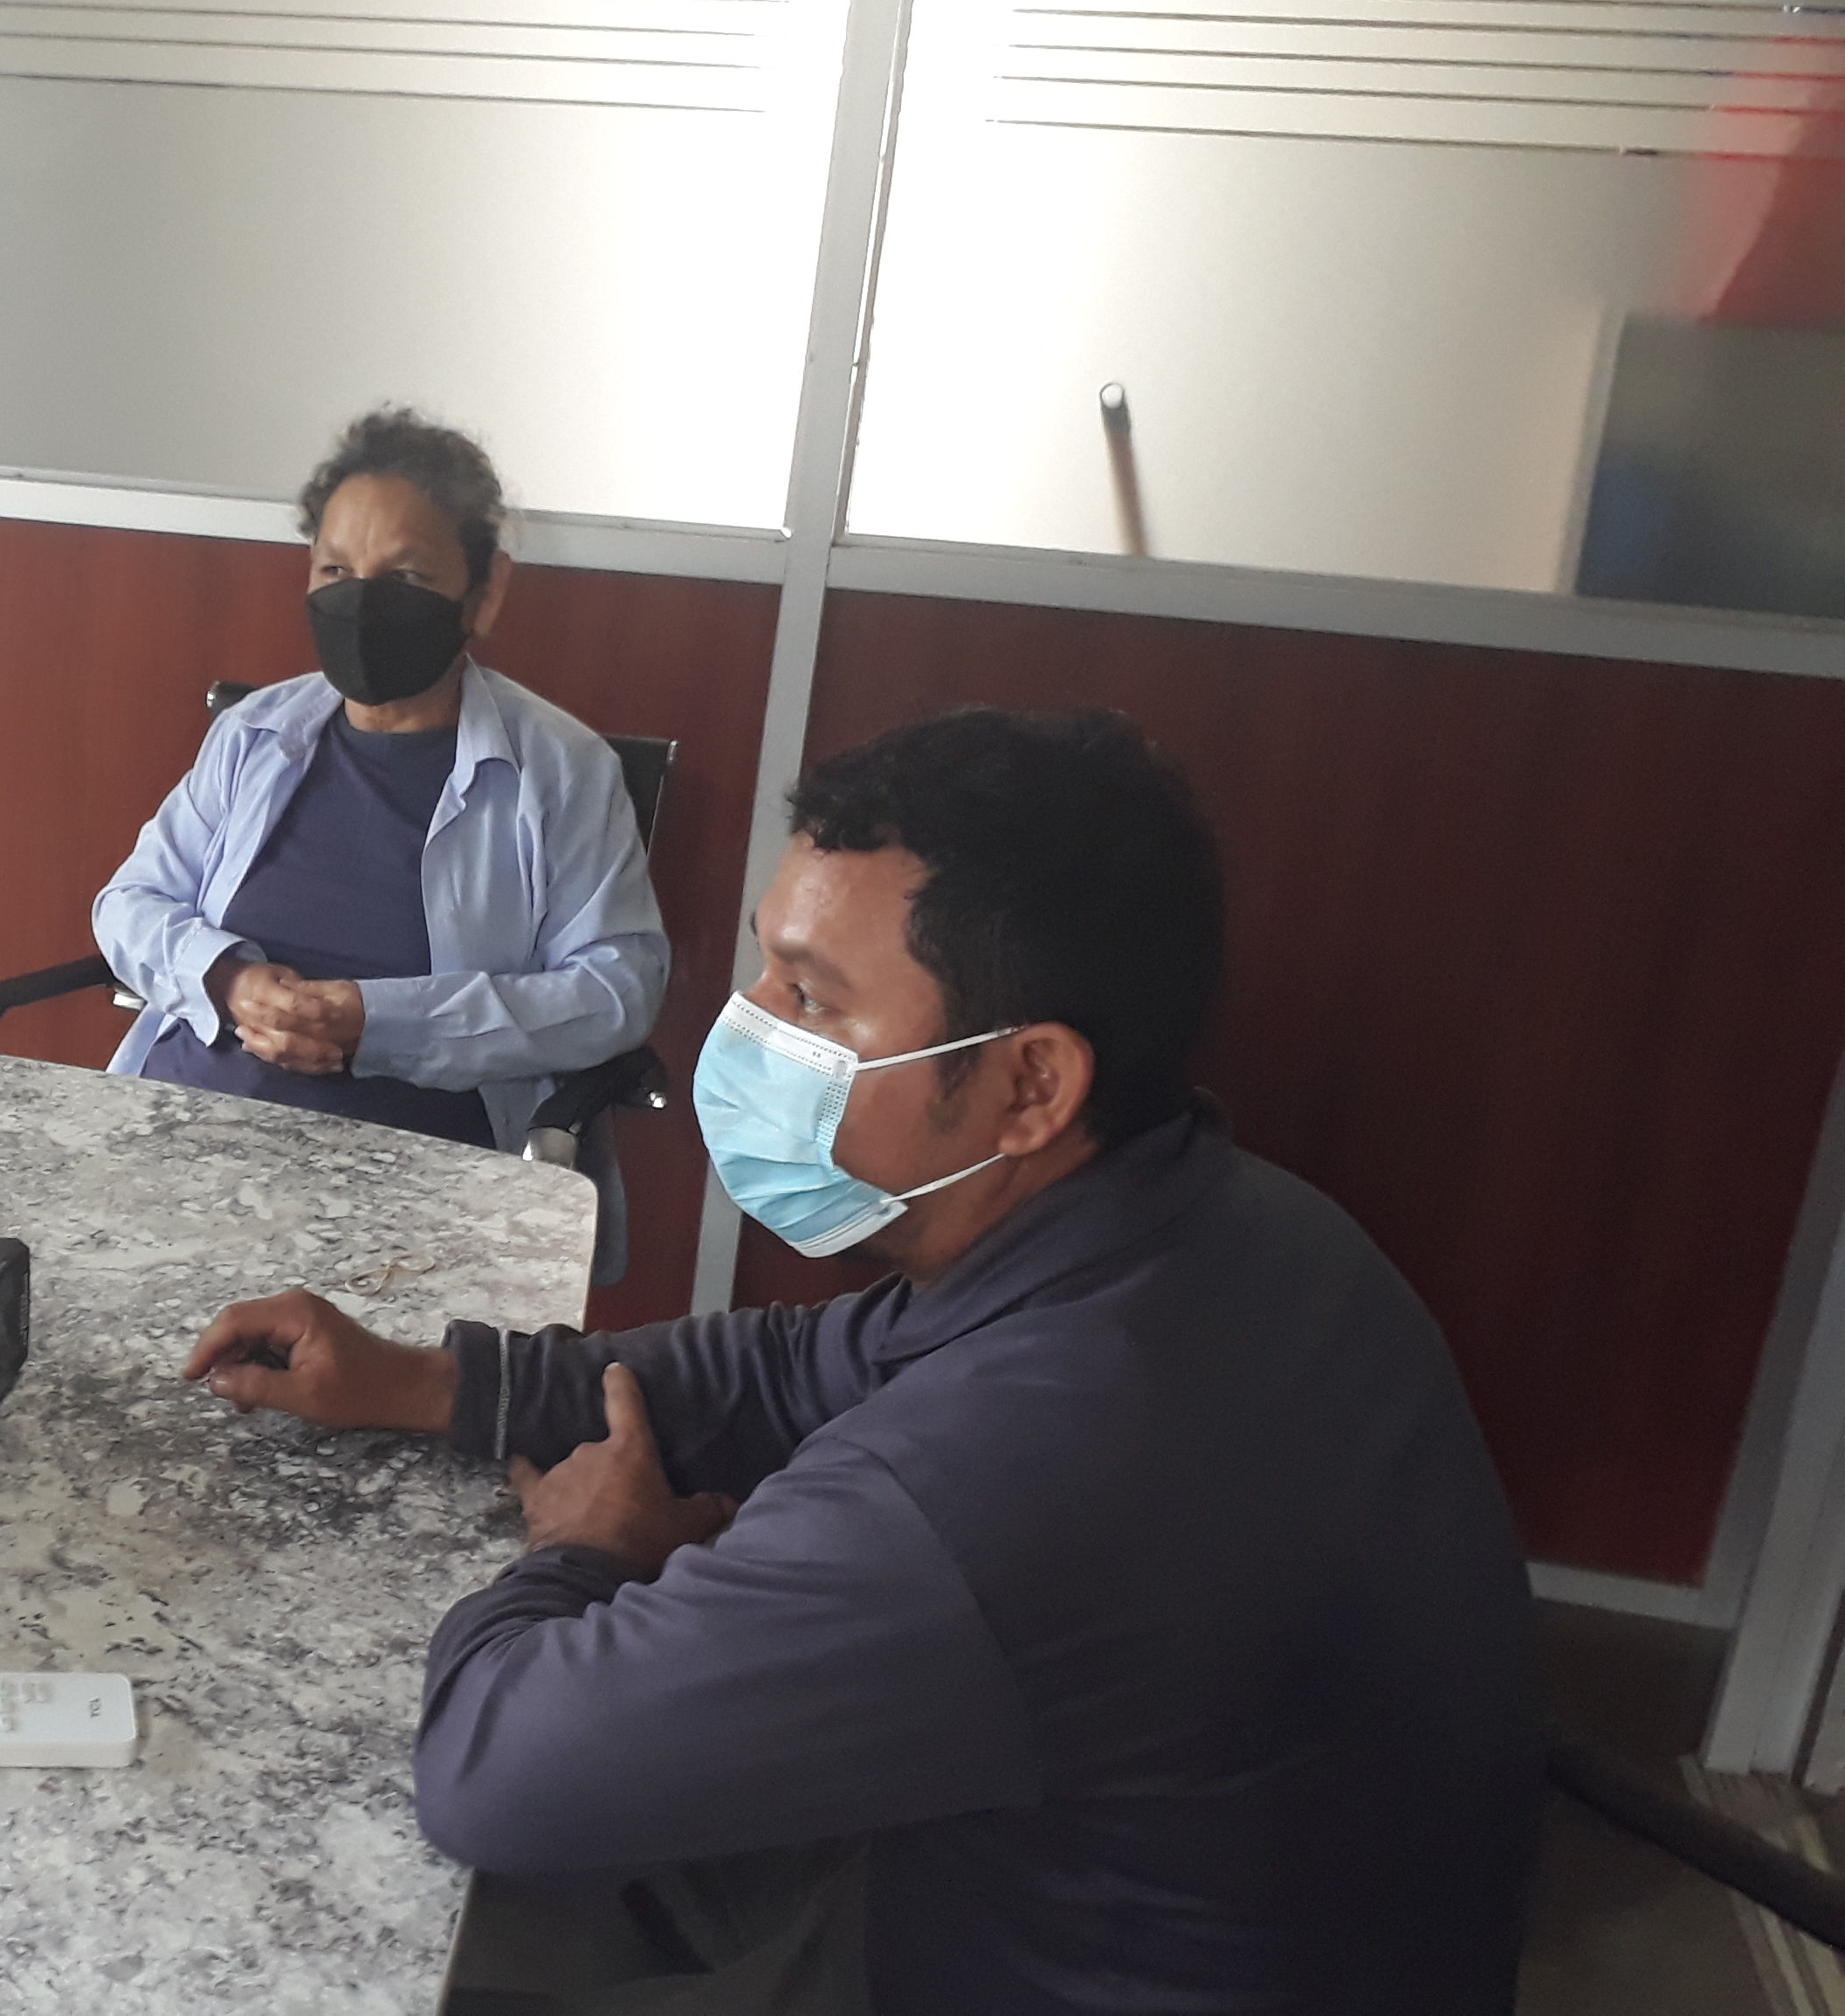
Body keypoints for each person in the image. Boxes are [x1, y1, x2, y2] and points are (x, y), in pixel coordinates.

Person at [181, 708, 1539, 2014]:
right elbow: (793, 1366)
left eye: (814, 998)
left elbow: (494, 1772)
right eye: (769, 969)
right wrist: (435, 1382)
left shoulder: (1011, 1473)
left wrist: (580, 1550)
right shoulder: (1205, 1218)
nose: (751, 1022)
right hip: (1098, 1879)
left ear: (1029, 1083)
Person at [93, 408, 665, 1152]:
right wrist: (227, 980)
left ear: (484, 592)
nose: (361, 603)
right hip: (188, 1124)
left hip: (408, 1159)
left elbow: (617, 989)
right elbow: (129, 905)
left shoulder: (561, 769)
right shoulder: (254, 733)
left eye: (407, 577)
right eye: (335, 571)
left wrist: (383, 1025)